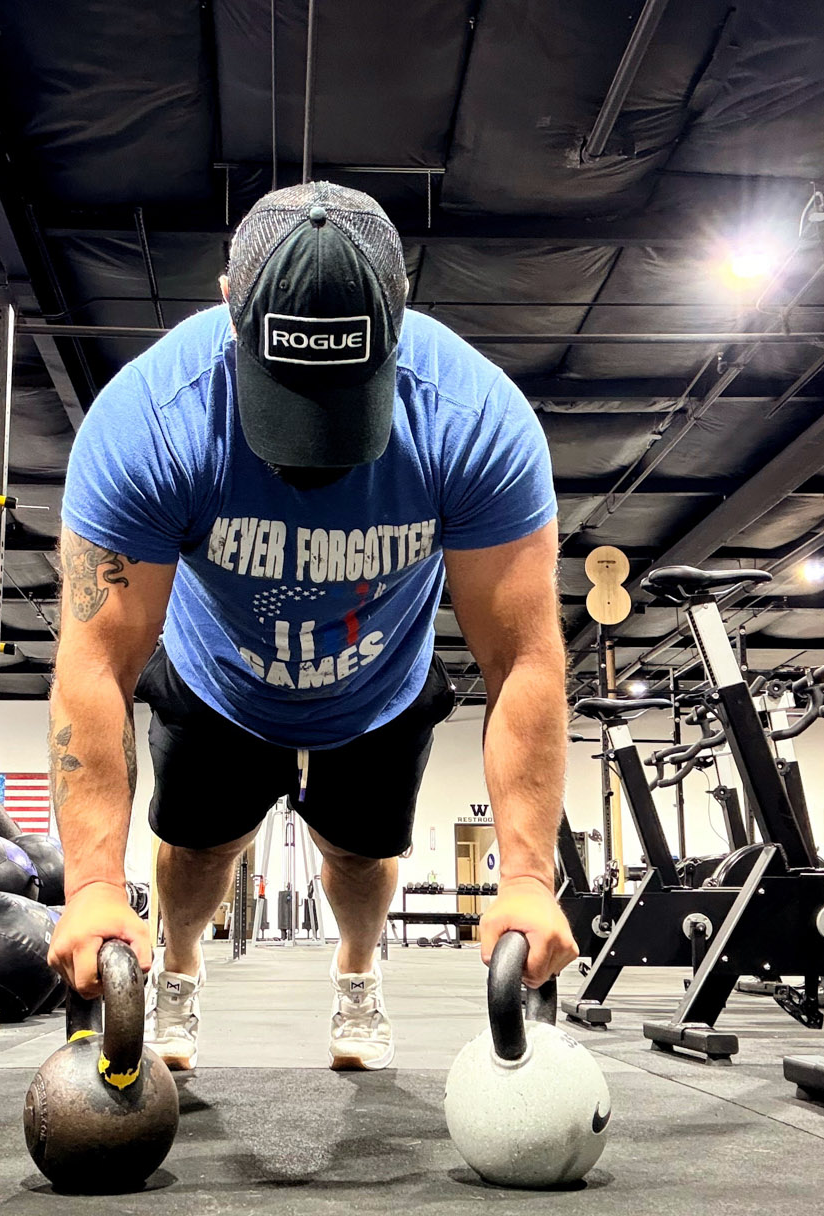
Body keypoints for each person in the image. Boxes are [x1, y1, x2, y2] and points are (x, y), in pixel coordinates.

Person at [46, 180, 575, 1071]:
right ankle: (177, 973)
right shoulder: (153, 420)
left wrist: (525, 874)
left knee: (361, 861)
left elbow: (523, 656)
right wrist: (95, 884)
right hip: (218, 683)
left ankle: (358, 980)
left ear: (400, 322)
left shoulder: (474, 419)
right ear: (229, 303)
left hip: (379, 688)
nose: (308, 452)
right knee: (195, 851)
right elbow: (94, 660)